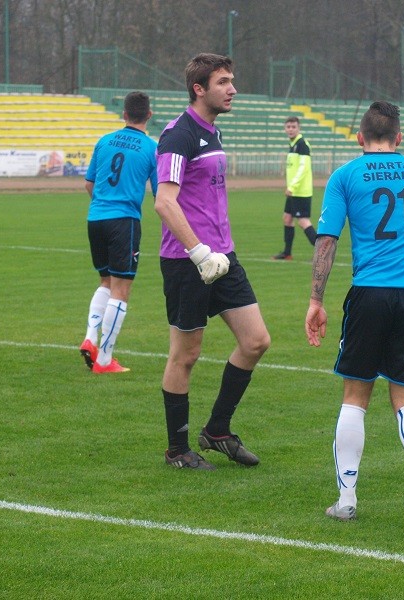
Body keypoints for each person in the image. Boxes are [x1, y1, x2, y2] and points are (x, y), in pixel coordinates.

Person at [305, 101, 404, 534]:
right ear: (399, 137)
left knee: (356, 395)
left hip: (369, 294)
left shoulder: (345, 176)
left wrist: (316, 299)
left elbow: (326, 241)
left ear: (360, 137)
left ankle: (346, 502)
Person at [155, 53, 271, 470]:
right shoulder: (179, 135)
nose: (232, 89)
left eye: (232, 81)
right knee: (185, 355)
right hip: (188, 261)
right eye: (223, 82)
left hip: (223, 257)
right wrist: (198, 252)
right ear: (199, 89)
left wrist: (216, 252)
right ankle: (177, 450)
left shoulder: (212, 132)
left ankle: (217, 430)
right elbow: (164, 202)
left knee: (256, 341)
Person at [79, 91, 158, 374]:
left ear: (124, 114)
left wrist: (104, 205)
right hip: (124, 221)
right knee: (121, 289)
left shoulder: (104, 141)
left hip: (95, 218)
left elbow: (89, 183)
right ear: (149, 115)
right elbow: (161, 194)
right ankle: (104, 360)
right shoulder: (151, 148)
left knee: (105, 281)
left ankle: (90, 338)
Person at [273, 116, 317, 260]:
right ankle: (287, 253)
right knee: (287, 218)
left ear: (299, 128)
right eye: (288, 127)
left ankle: (323, 251)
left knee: (303, 221)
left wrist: (292, 186)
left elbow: (304, 168)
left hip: (300, 191)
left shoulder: (302, 144)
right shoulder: (293, 144)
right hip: (294, 192)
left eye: (293, 127)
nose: (290, 129)